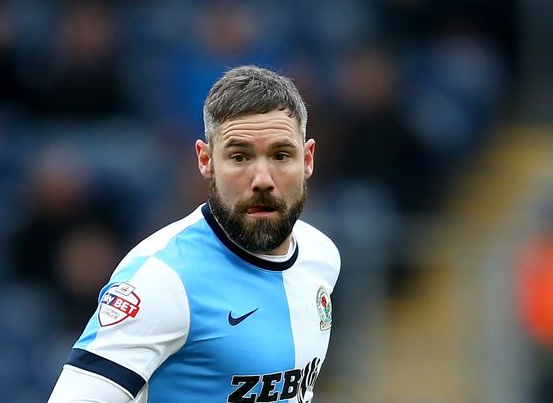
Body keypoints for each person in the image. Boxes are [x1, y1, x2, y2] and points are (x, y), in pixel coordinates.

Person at [48, 65, 341, 402]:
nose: (262, 178)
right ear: (206, 161)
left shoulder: (321, 255)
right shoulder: (163, 280)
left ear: (307, 159)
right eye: (240, 156)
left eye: (280, 155)